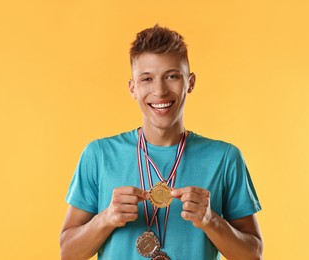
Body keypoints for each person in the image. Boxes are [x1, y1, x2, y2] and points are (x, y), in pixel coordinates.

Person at [60, 24, 263, 260]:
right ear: (132, 88)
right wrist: (106, 219)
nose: (160, 91)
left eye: (172, 76)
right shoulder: (98, 155)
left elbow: (253, 254)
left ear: (190, 82)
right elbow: (68, 253)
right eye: (147, 79)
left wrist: (211, 221)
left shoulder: (225, 158)